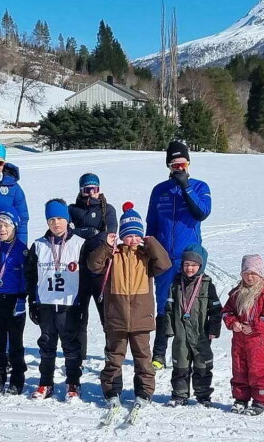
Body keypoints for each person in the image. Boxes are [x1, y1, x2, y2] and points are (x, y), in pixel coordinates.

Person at [88, 203, 170, 420]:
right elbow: (93, 265)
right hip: (116, 318)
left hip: (141, 319)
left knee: (143, 357)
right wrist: (106, 246)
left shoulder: (146, 256)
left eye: (136, 235)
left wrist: (150, 242)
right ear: (122, 236)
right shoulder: (113, 256)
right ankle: (112, 391)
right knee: (114, 357)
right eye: (129, 235)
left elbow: (164, 264)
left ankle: (143, 392)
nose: (132, 239)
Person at [146, 141, 212, 370]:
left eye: (182, 164)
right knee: (164, 305)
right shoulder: (159, 190)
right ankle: (159, 354)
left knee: (191, 306)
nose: (179, 169)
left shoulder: (200, 186)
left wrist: (186, 187)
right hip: (164, 258)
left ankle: (195, 352)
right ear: (168, 166)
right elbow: (151, 225)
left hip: (189, 258)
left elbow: (202, 212)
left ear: (189, 163)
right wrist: (149, 252)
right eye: (174, 165)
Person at [24, 198, 90, 401]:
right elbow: (31, 277)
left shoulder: (80, 244)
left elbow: (87, 278)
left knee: (70, 345)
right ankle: (45, 383)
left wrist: (82, 304)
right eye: (51, 219)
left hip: (69, 305)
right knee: (46, 344)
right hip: (45, 304)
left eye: (60, 218)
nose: (56, 223)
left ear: (67, 220)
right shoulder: (39, 245)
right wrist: (32, 302)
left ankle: (73, 383)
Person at [222, 254, 264, 416]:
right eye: (246, 273)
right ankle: (241, 398)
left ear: (260, 274)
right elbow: (227, 311)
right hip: (239, 340)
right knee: (239, 368)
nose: (249, 277)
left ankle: (260, 400)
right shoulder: (236, 293)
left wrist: (254, 327)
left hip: (258, 341)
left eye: (253, 274)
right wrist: (233, 323)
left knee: (258, 369)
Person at [164, 244, 221, 407]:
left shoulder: (207, 285)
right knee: (180, 365)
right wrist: (169, 329)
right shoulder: (175, 284)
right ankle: (179, 395)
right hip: (181, 333)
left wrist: (213, 329)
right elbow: (168, 308)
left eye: (194, 265)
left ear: (201, 266)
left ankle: (203, 396)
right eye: (186, 264)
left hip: (200, 333)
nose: (190, 268)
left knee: (202, 365)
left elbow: (216, 310)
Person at [68, 173, 118, 360]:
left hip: (100, 270)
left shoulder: (108, 210)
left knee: (107, 316)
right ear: (81, 190)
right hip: (78, 270)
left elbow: (110, 236)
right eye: (86, 190)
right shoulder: (72, 209)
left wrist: (91, 234)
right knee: (79, 318)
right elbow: (67, 232)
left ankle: (111, 354)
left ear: (99, 189)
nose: (90, 193)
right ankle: (78, 357)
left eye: (94, 189)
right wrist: (93, 232)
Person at [0, 210, 28, 395]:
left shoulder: (22, 249)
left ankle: (17, 380)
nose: (1, 229)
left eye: (6, 226)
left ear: (14, 227)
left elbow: (25, 276)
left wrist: (21, 298)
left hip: (14, 300)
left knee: (15, 343)